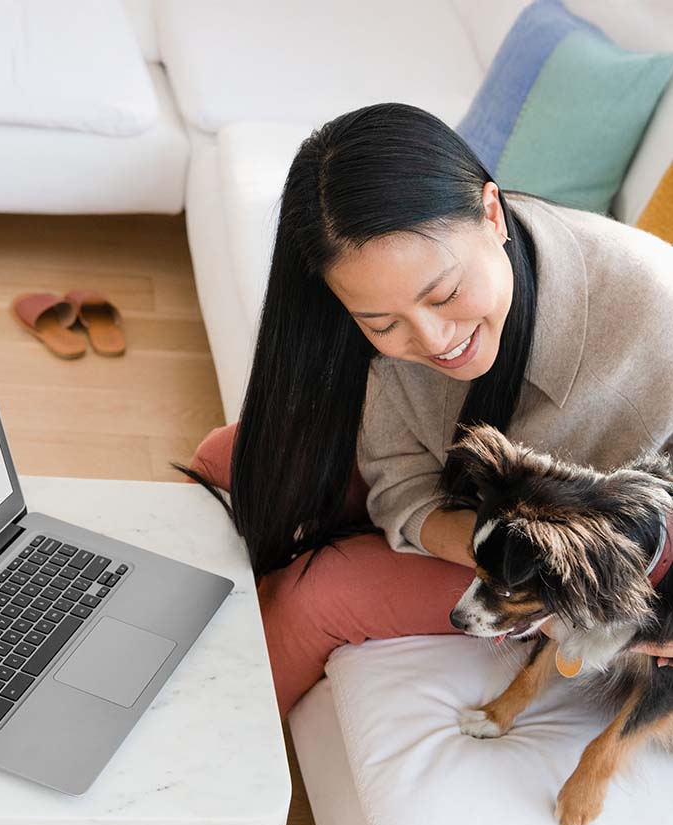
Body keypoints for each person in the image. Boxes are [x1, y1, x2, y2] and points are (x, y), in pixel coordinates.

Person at [172, 102, 673, 721]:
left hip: (562, 566)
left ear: (493, 214)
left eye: (446, 295)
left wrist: (526, 566)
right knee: (228, 458)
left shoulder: (653, 311)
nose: (434, 341)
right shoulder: (379, 299)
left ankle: (205, 749)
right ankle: (147, 649)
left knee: (318, 596)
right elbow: (400, 478)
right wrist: (483, 538)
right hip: (482, 522)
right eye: (382, 324)